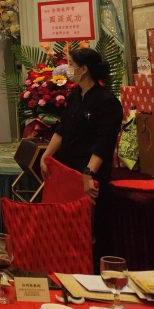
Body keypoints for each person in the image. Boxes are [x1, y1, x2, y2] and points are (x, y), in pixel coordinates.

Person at [40, 48, 122, 197]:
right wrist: (46, 156)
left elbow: (104, 142)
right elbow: (62, 129)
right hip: (67, 167)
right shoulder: (74, 96)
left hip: (89, 171)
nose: (68, 68)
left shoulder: (107, 101)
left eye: (71, 64)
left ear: (84, 69)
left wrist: (89, 173)